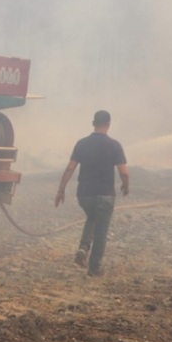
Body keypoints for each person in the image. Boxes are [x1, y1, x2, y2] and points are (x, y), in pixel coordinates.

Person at [54, 110, 130, 277]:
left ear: (93, 123)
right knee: (101, 230)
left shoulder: (81, 144)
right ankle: (94, 268)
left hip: (84, 194)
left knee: (92, 218)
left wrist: (61, 190)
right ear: (108, 125)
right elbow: (124, 172)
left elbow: (70, 168)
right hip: (105, 194)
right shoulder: (114, 145)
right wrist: (126, 185)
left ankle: (83, 248)